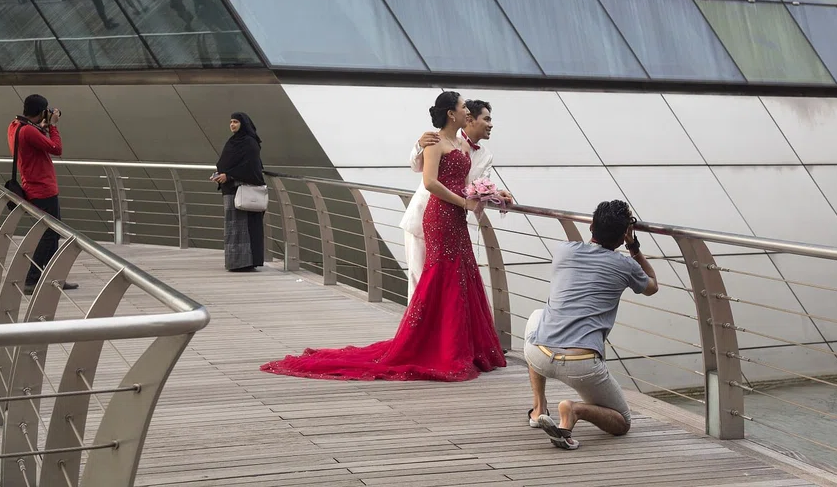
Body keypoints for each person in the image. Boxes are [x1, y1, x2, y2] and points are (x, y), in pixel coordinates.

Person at [260, 92, 506, 381]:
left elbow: (472, 183)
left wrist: (493, 194)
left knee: (461, 275)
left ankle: (462, 345)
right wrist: (463, 201)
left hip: (457, 218)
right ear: (452, 114)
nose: (468, 111)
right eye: (464, 107)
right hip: (439, 215)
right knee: (440, 275)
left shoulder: (463, 145)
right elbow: (429, 181)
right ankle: (433, 345)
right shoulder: (433, 141)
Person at [525, 200, 658, 450]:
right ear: (622, 235)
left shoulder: (563, 250)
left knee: (536, 317)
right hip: (581, 364)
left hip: (539, 354)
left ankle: (539, 408)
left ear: (591, 226)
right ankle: (574, 410)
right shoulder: (626, 265)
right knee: (622, 423)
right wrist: (633, 247)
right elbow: (652, 286)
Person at [399, 99, 511, 301]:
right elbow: (417, 167)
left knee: (453, 281)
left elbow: (474, 187)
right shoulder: (440, 138)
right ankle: (419, 322)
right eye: (486, 119)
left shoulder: (486, 156)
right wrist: (419, 144)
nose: (491, 124)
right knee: (420, 281)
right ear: (471, 119)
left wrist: (495, 195)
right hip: (425, 215)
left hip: (454, 219)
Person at [7, 95, 79, 295]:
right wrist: (53, 126)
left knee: (51, 235)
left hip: (33, 187)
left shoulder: (15, 126)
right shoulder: (28, 131)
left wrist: (42, 126)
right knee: (49, 236)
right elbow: (56, 148)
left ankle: (53, 278)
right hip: (43, 190)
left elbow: (34, 145)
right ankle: (32, 279)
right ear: (41, 112)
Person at [212, 113, 266, 272]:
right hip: (230, 190)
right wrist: (219, 175)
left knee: (244, 228)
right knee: (233, 228)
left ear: (243, 123)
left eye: (235, 122)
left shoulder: (249, 142)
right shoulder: (233, 141)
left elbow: (251, 167)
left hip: (242, 190)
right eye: (230, 122)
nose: (232, 125)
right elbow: (225, 163)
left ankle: (246, 263)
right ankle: (235, 263)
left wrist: (229, 175)